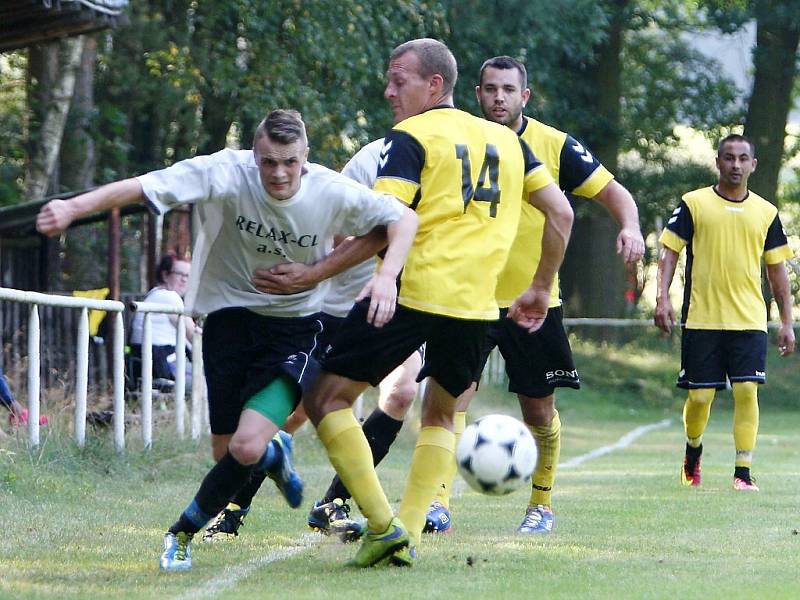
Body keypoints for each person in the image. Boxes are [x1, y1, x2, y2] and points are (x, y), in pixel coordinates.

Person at [36, 109, 418, 571]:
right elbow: (143, 186)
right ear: (253, 155)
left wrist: (385, 279)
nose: (279, 173)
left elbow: (402, 221)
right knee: (227, 455)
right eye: (268, 162)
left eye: (290, 162)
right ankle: (274, 452)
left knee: (243, 448)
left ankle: (180, 535)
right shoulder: (223, 172)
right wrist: (74, 208)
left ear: (306, 158)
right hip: (227, 321)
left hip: (296, 327)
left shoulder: (329, 190)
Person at [303, 38, 573, 568]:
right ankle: (409, 534)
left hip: (414, 293)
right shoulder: (507, 140)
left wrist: (310, 275)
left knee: (325, 399)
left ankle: (382, 525)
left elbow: (385, 226)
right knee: (441, 416)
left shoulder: (410, 136)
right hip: (477, 306)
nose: (388, 90)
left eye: (398, 79)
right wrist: (541, 287)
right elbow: (561, 213)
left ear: (434, 84)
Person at [422, 55, 646, 536]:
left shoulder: (556, 145)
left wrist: (630, 227)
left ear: (525, 96)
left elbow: (616, 194)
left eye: (508, 89)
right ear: (477, 94)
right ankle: (436, 504)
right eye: (489, 89)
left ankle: (541, 505)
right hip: (468, 297)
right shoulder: (459, 138)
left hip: (536, 302)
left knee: (539, 410)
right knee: (449, 400)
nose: (497, 97)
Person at [655, 133, 794, 492]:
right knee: (700, 397)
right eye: (728, 158)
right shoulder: (694, 204)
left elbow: (777, 269)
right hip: (702, 318)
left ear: (753, 165)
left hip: (749, 319)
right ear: (718, 162)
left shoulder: (766, 213)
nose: (735, 165)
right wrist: (661, 298)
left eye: (742, 159)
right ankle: (693, 452)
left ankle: (743, 472)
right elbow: (669, 252)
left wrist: (785, 322)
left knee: (748, 391)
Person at [129, 255, 198, 386]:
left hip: (146, 365)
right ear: (165, 275)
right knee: (211, 380)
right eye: (179, 274)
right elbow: (193, 334)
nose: (184, 279)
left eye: (188, 276)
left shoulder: (154, 294)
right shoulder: (169, 297)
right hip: (161, 366)